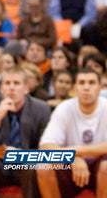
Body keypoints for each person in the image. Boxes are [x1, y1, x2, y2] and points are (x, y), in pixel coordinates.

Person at [0, 66, 52, 198]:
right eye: (7, 83)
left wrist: (21, 155)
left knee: (30, 166)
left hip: (25, 166)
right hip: (0, 167)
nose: (11, 88)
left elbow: (45, 149)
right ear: (1, 89)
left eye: (16, 83)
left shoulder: (41, 109)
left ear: (26, 88)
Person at [38, 67, 107, 198]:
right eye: (81, 83)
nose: (86, 87)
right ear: (74, 88)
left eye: (91, 83)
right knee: (44, 166)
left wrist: (75, 151)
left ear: (99, 87)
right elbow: (46, 146)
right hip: (70, 169)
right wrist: (73, 158)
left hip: (100, 167)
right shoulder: (64, 108)